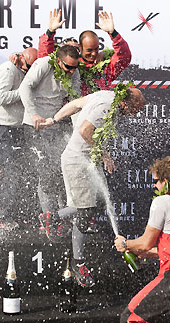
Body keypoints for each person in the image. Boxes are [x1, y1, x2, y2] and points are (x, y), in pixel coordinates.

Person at [41, 88, 145, 287]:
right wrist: (104, 154)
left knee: (95, 203)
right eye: (135, 110)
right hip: (77, 162)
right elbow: (85, 130)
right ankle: (75, 258)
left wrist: (54, 120)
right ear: (126, 104)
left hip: (86, 161)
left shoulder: (105, 95)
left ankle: (56, 219)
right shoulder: (107, 107)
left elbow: (75, 105)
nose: (135, 114)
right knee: (85, 211)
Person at [114, 156, 170, 323]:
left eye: (156, 181)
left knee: (131, 318)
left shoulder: (162, 202)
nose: (154, 186)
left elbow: (145, 242)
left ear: (165, 180)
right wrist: (148, 254)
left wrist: (125, 244)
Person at [18, 45, 81, 239]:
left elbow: (75, 101)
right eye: (68, 67)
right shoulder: (44, 64)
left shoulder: (75, 72)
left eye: (74, 67)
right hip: (34, 125)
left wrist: (78, 128)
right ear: (58, 61)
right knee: (45, 172)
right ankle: (48, 222)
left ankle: (59, 218)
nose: (71, 71)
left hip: (54, 124)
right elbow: (24, 87)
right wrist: (33, 113)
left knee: (60, 169)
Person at [0, 47, 38, 228]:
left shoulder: (21, 69)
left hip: (15, 129)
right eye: (28, 66)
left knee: (18, 173)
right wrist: (24, 92)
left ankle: (11, 214)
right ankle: (1, 217)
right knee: (8, 173)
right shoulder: (8, 69)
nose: (29, 70)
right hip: (2, 129)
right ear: (21, 58)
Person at [38, 8, 131, 96]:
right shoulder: (70, 65)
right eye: (89, 50)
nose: (94, 53)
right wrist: (50, 32)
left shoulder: (105, 68)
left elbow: (124, 57)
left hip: (98, 110)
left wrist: (113, 33)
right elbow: (45, 58)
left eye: (96, 49)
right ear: (80, 47)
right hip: (70, 110)